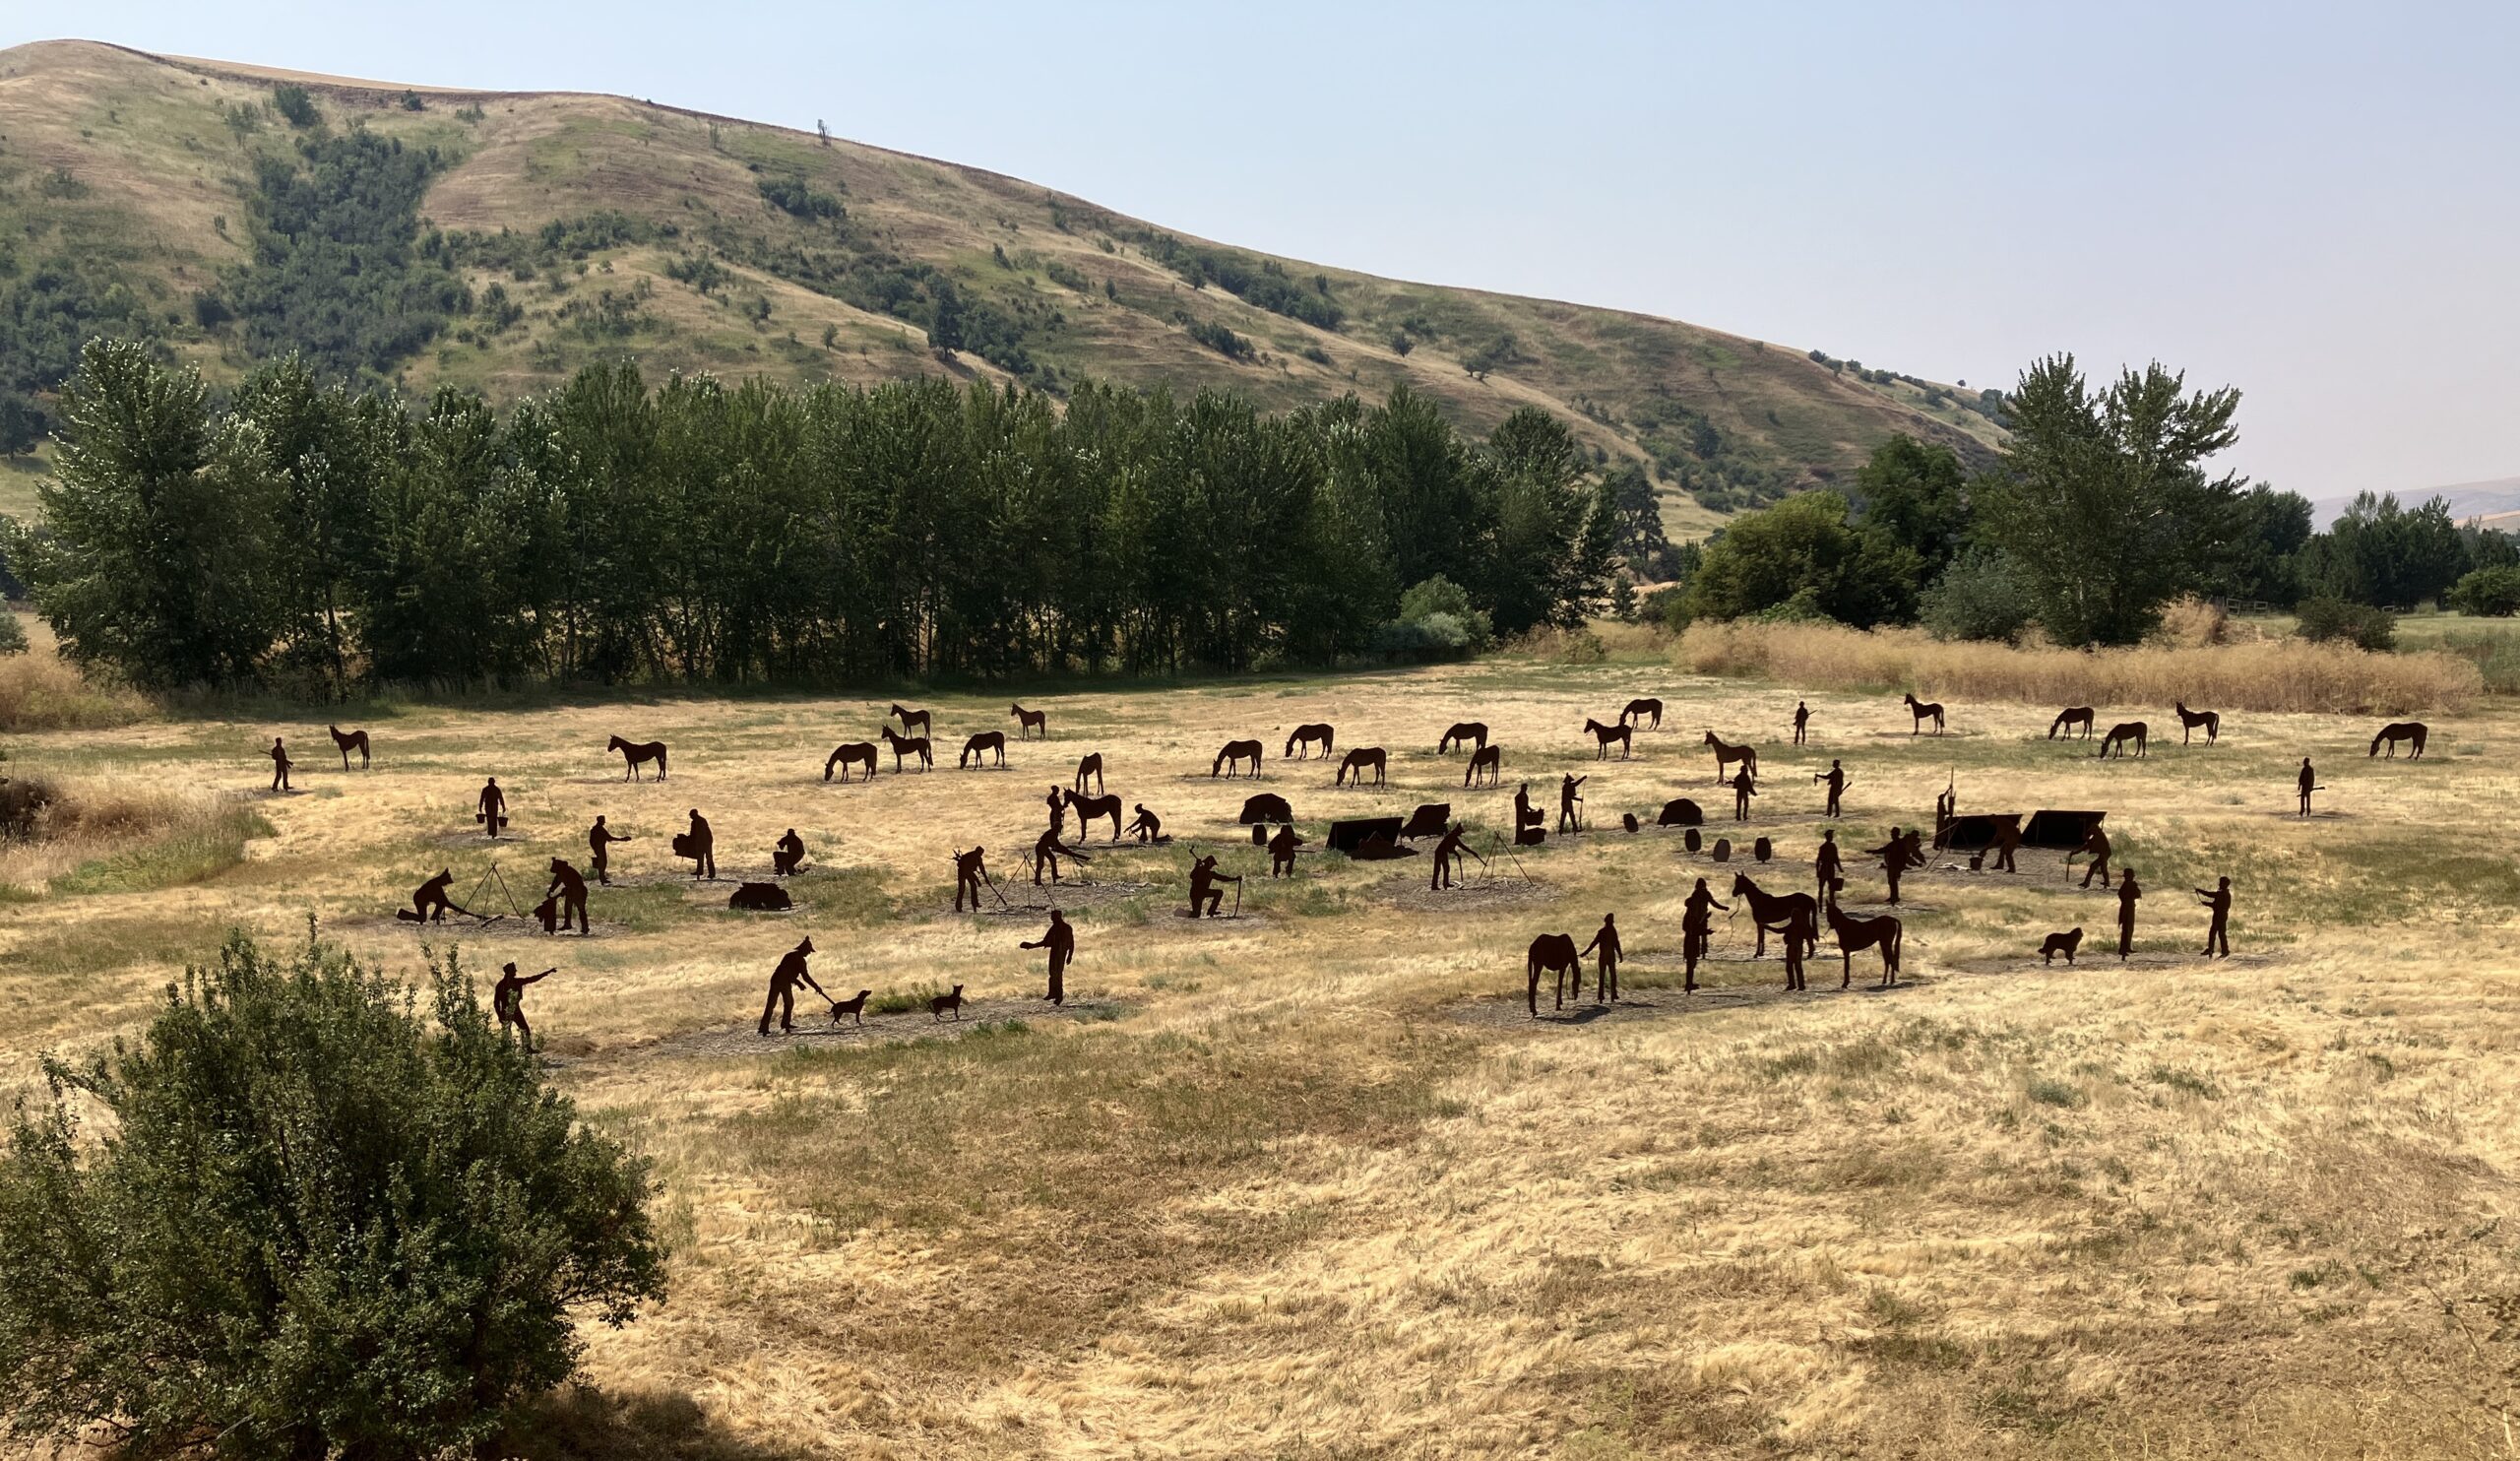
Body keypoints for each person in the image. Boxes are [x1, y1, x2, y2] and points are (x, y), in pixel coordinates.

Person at [759, 937, 829, 1037]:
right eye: (808, 951)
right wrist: (805, 984)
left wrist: (813, 986)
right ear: (803, 949)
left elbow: (803, 976)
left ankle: (785, 1023)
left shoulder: (797, 959)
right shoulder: (791, 957)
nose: (809, 953)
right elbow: (788, 973)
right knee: (771, 1004)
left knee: (789, 1003)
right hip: (777, 981)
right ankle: (764, 1027)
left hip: (786, 982)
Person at [493, 963, 555, 1052]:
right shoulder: (501, 986)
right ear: (509, 972)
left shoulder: (517, 982)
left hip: (516, 1011)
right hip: (506, 1012)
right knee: (506, 1033)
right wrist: (499, 1015)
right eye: (514, 970)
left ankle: (527, 1049)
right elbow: (496, 1002)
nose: (515, 971)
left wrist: (547, 972)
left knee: (525, 1029)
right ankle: (506, 1051)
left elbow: (532, 979)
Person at [1681, 877, 1729, 992]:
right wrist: (1706, 931)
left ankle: (1689, 983)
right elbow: (1695, 928)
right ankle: (1688, 984)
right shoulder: (1694, 914)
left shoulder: (1691, 907)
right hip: (1693, 936)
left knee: (1691, 961)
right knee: (1691, 961)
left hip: (1691, 935)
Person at [1020, 909, 1076, 1005]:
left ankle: (1058, 996)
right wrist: (1070, 955)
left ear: (1058, 916)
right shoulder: (1061, 927)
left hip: (1059, 954)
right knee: (1053, 974)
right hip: (1057, 953)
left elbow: (1069, 943)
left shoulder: (1062, 928)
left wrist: (1032, 946)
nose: (1051, 918)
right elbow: (1048, 941)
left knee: (1057, 975)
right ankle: (1053, 993)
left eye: (1053, 916)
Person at [1580, 914, 1622, 1003]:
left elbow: (1593, 944)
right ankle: (1611, 994)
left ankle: (1602, 996)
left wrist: (1585, 953)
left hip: (1603, 957)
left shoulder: (1602, 931)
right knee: (1612, 976)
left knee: (1603, 976)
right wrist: (1620, 954)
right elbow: (1616, 944)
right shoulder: (1612, 931)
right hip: (1610, 957)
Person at [543, 858, 590, 935]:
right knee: (568, 908)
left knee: (581, 909)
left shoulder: (565, 871)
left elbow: (558, 883)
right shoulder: (563, 871)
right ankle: (568, 924)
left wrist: (554, 893)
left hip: (579, 891)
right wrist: (552, 892)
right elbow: (556, 883)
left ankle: (585, 928)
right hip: (572, 891)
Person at [1188, 854, 1240, 918]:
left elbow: (1222, 878)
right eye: (1212, 864)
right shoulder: (1199, 869)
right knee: (1196, 915)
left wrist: (1235, 879)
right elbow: (1192, 876)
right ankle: (1188, 917)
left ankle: (1211, 910)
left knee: (1219, 893)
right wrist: (1196, 866)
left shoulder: (1211, 874)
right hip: (1195, 894)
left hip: (1203, 892)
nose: (1212, 866)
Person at [588, 815, 632, 885]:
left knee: (602, 862)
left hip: (598, 847)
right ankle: (602, 878)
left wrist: (594, 847)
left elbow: (591, 840)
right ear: (600, 821)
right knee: (603, 863)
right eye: (603, 820)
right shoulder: (600, 829)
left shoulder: (595, 829)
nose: (604, 822)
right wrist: (622, 839)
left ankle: (602, 877)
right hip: (600, 848)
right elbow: (609, 838)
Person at [1430, 823, 1476, 891]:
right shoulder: (1451, 836)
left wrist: (1473, 853)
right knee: (1437, 869)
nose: (1460, 834)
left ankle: (1446, 883)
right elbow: (1449, 849)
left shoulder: (1454, 837)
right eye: (1460, 832)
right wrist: (1457, 854)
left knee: (1446, 868)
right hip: (1440, 852)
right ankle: (1434, 886)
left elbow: (1463, 847)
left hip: (1443, 852)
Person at [2196, 875, 2232, 958]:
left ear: (2224, 884)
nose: (2219, 884)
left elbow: (2211, 898)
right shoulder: (2224, 893)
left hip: (2220, 916)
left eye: (2220, 882)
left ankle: (2214, 950)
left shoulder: (2223, 893)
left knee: (2215, 933)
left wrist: (2201, 893)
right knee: (2219, 933)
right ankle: (2222, 950)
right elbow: (2214, 902)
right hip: (2221, 915)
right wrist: (2205, 902)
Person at [2115, 866, 2141, 961]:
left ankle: (2126, 948)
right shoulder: (2128, 885)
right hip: (2127, 909)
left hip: (2128, 908)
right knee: (2127, 928)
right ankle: (2124, 948)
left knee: (2128, 928)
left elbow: (2135, 895)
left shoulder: (2128, 884)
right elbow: (2137, 895)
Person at [2076, 823, 2112, 889]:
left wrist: (2084, 825)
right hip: (2104, 854)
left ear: (2095, 830)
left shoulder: (2099, 835)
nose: (2091, 832)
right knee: (2100, 868)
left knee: (2098, 867)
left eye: (2092, 830)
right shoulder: (2096, 836)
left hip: (2105, 853)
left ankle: (2087, 883)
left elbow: (2086, 840)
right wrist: (2074, 853)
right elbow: (2086, 845)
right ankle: (2105, 882)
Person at [955, 846, 990, 911]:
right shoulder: (969, 856)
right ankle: (958, 906)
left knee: (973, 886)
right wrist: (977, 880)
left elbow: (982, 869)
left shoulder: (979, 858)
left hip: (969, 872)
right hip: (962, 872)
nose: (981, 855)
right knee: (962, 889)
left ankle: (975, 904)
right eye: (980, 853)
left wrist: (986, 878)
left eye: (982, 853)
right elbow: (962, 867)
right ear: (977, 851)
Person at [1814, 829, 1842, 902]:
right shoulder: (1831, 846)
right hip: (1829, 868)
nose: (1831, 837)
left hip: (1824, 868)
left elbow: (1818, 860)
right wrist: (1840, 868)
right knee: (1830, 888)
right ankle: (1830, 904)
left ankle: (1821, 906)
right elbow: (1836, 858)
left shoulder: (1823, 847)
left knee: (1822, 888)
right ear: (1828, 837)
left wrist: (1818, 871)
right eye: (1830, 836)